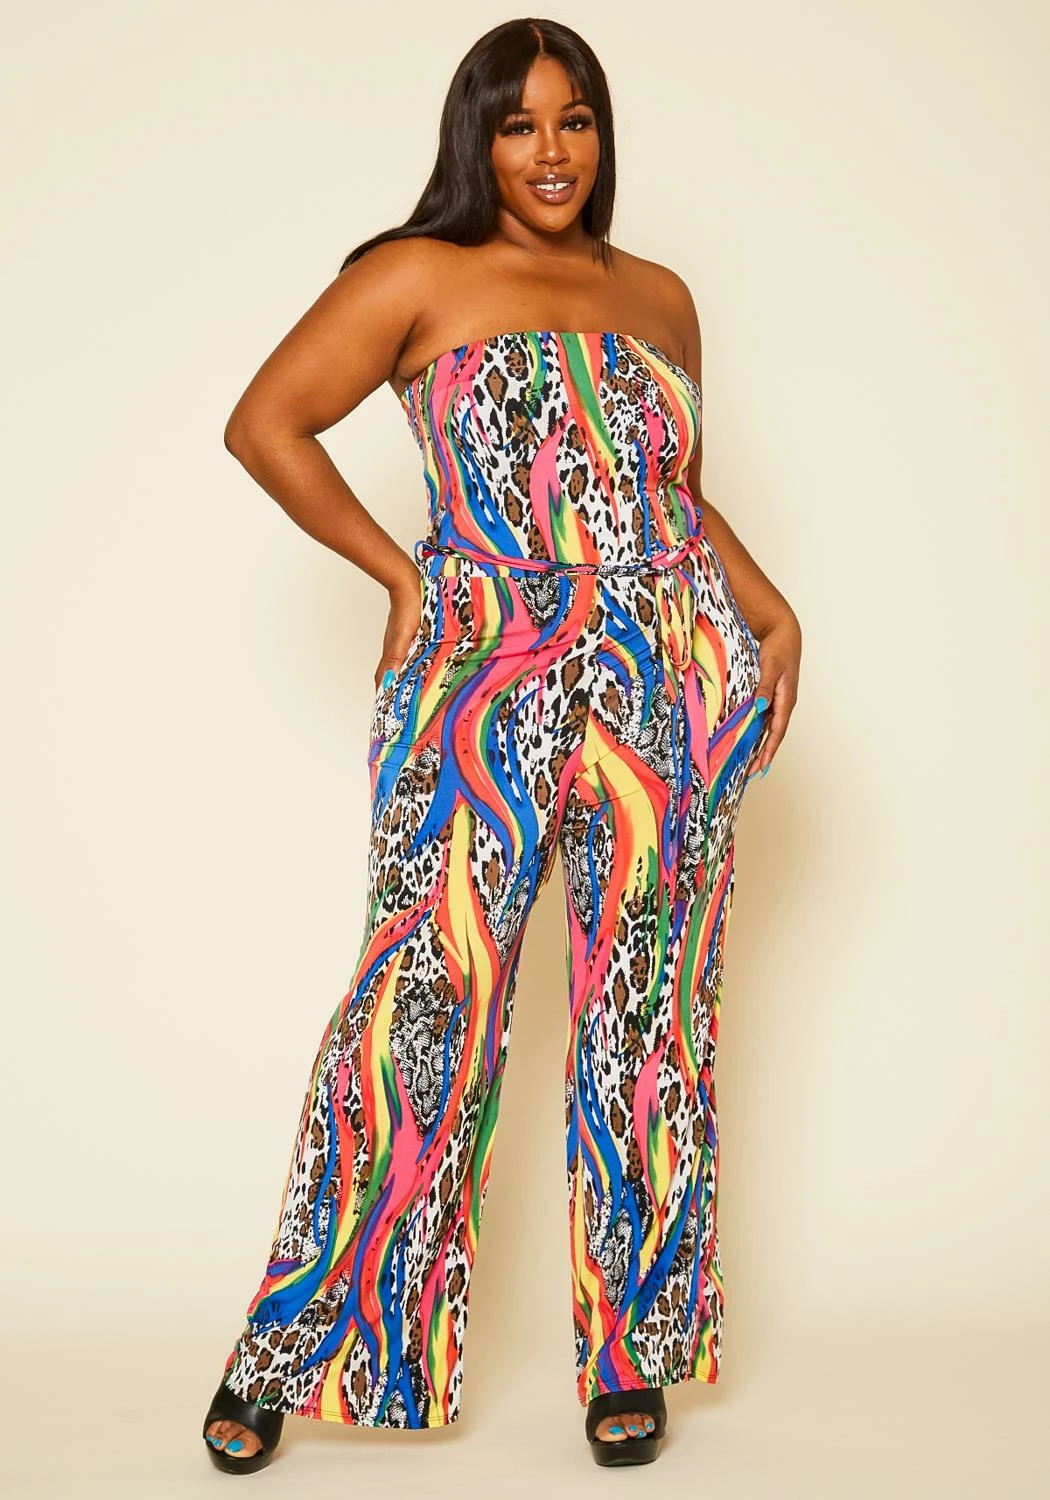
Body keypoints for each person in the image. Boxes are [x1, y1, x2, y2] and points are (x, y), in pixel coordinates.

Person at [202, 15, 802, 1475]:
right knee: (422, 1004)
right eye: (518, 122)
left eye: (574, 119)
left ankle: (631, 1356)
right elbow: (265, 424)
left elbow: (667, 493)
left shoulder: (659, 298)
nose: (549, 150)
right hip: (483, 677)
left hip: (663, 672)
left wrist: (767, 607)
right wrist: (402, 576)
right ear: (475, 137)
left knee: (650, 1017)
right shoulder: (416, 275)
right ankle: (295, 1346)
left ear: (602, 135)